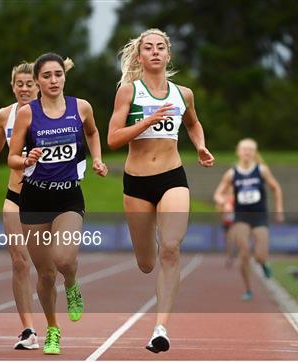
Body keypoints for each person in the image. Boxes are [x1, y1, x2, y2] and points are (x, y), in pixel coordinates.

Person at [107, 28, 214, 353]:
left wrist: (200, 146)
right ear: (139, 56)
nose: (155, 52)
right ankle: (148, 249)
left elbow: (193, 123)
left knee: (170, 248)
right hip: (137, 184)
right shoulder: (128, 91)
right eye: (148, 48)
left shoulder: (184, 94)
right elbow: (113, 138)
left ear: (168, 55)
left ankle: (160, 327)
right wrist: (147, 121)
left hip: (172, 178)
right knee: (146, 263)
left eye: (160, 47)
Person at [8, 53, 107, 355]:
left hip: (68, 197)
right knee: (46, 274)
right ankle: (52, 329)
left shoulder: (81, 107)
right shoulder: (28, 113)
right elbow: (11, 158)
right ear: (37, 81)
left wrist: (98, 158)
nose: (53, 81)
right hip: (35, 198)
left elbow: (92, 131)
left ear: (64, 77)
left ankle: (73, 284)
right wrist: (25, 160)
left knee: (63, 260)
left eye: (57, 75)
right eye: (47, 76)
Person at [0, 61, 39, 350]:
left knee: (53, 264)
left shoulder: (53, 113)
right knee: (19, 261)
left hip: (48, 198)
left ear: (38, 85)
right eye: (20, 84)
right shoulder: (5, 114)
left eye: (29, 84)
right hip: (15, 196)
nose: (24, 88)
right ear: (13, 85)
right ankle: (28, 329)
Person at [213, 138, 284, 301]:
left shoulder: (262, 170)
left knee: (259, 255)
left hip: (260, 216)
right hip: (241, 217)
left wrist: (279, 210)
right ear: (238, 152)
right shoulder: (232, 173)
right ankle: (248, 289)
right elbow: (218, 194)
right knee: (244, 253)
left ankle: (264, 263)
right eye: (244, 149)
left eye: (250, 150)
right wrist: (224, 202)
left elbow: (276, 188)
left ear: (254, 153)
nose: (247, 152)